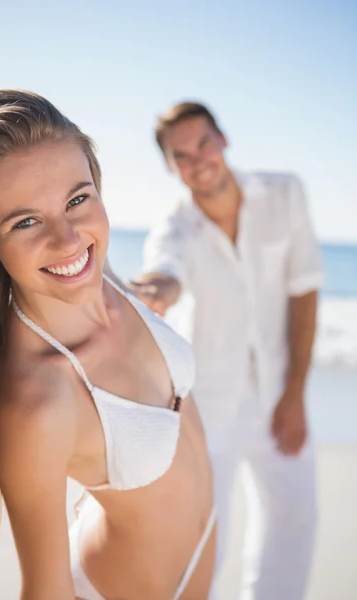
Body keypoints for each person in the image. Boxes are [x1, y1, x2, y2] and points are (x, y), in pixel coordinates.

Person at [0, 90, 217, 600]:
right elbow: (45, 590)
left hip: (202, 559)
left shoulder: (100, 273)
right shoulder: (37, 401)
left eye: (78, 199)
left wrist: (168, 286)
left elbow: (145, 291)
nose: (70, 239)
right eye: (25, 221)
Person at [132, 102, 323, 600]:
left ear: (223, 139)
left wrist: (296, 392)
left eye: (204, 144)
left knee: (295, 519)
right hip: (208, 408)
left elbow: (305, 292)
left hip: (282, 391)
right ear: (171, 167)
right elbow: (164, 270)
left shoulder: (285, 194)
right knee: (204, 540)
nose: (198, 161)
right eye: (182, 155)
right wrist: (160, 291)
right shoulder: (174, 226)